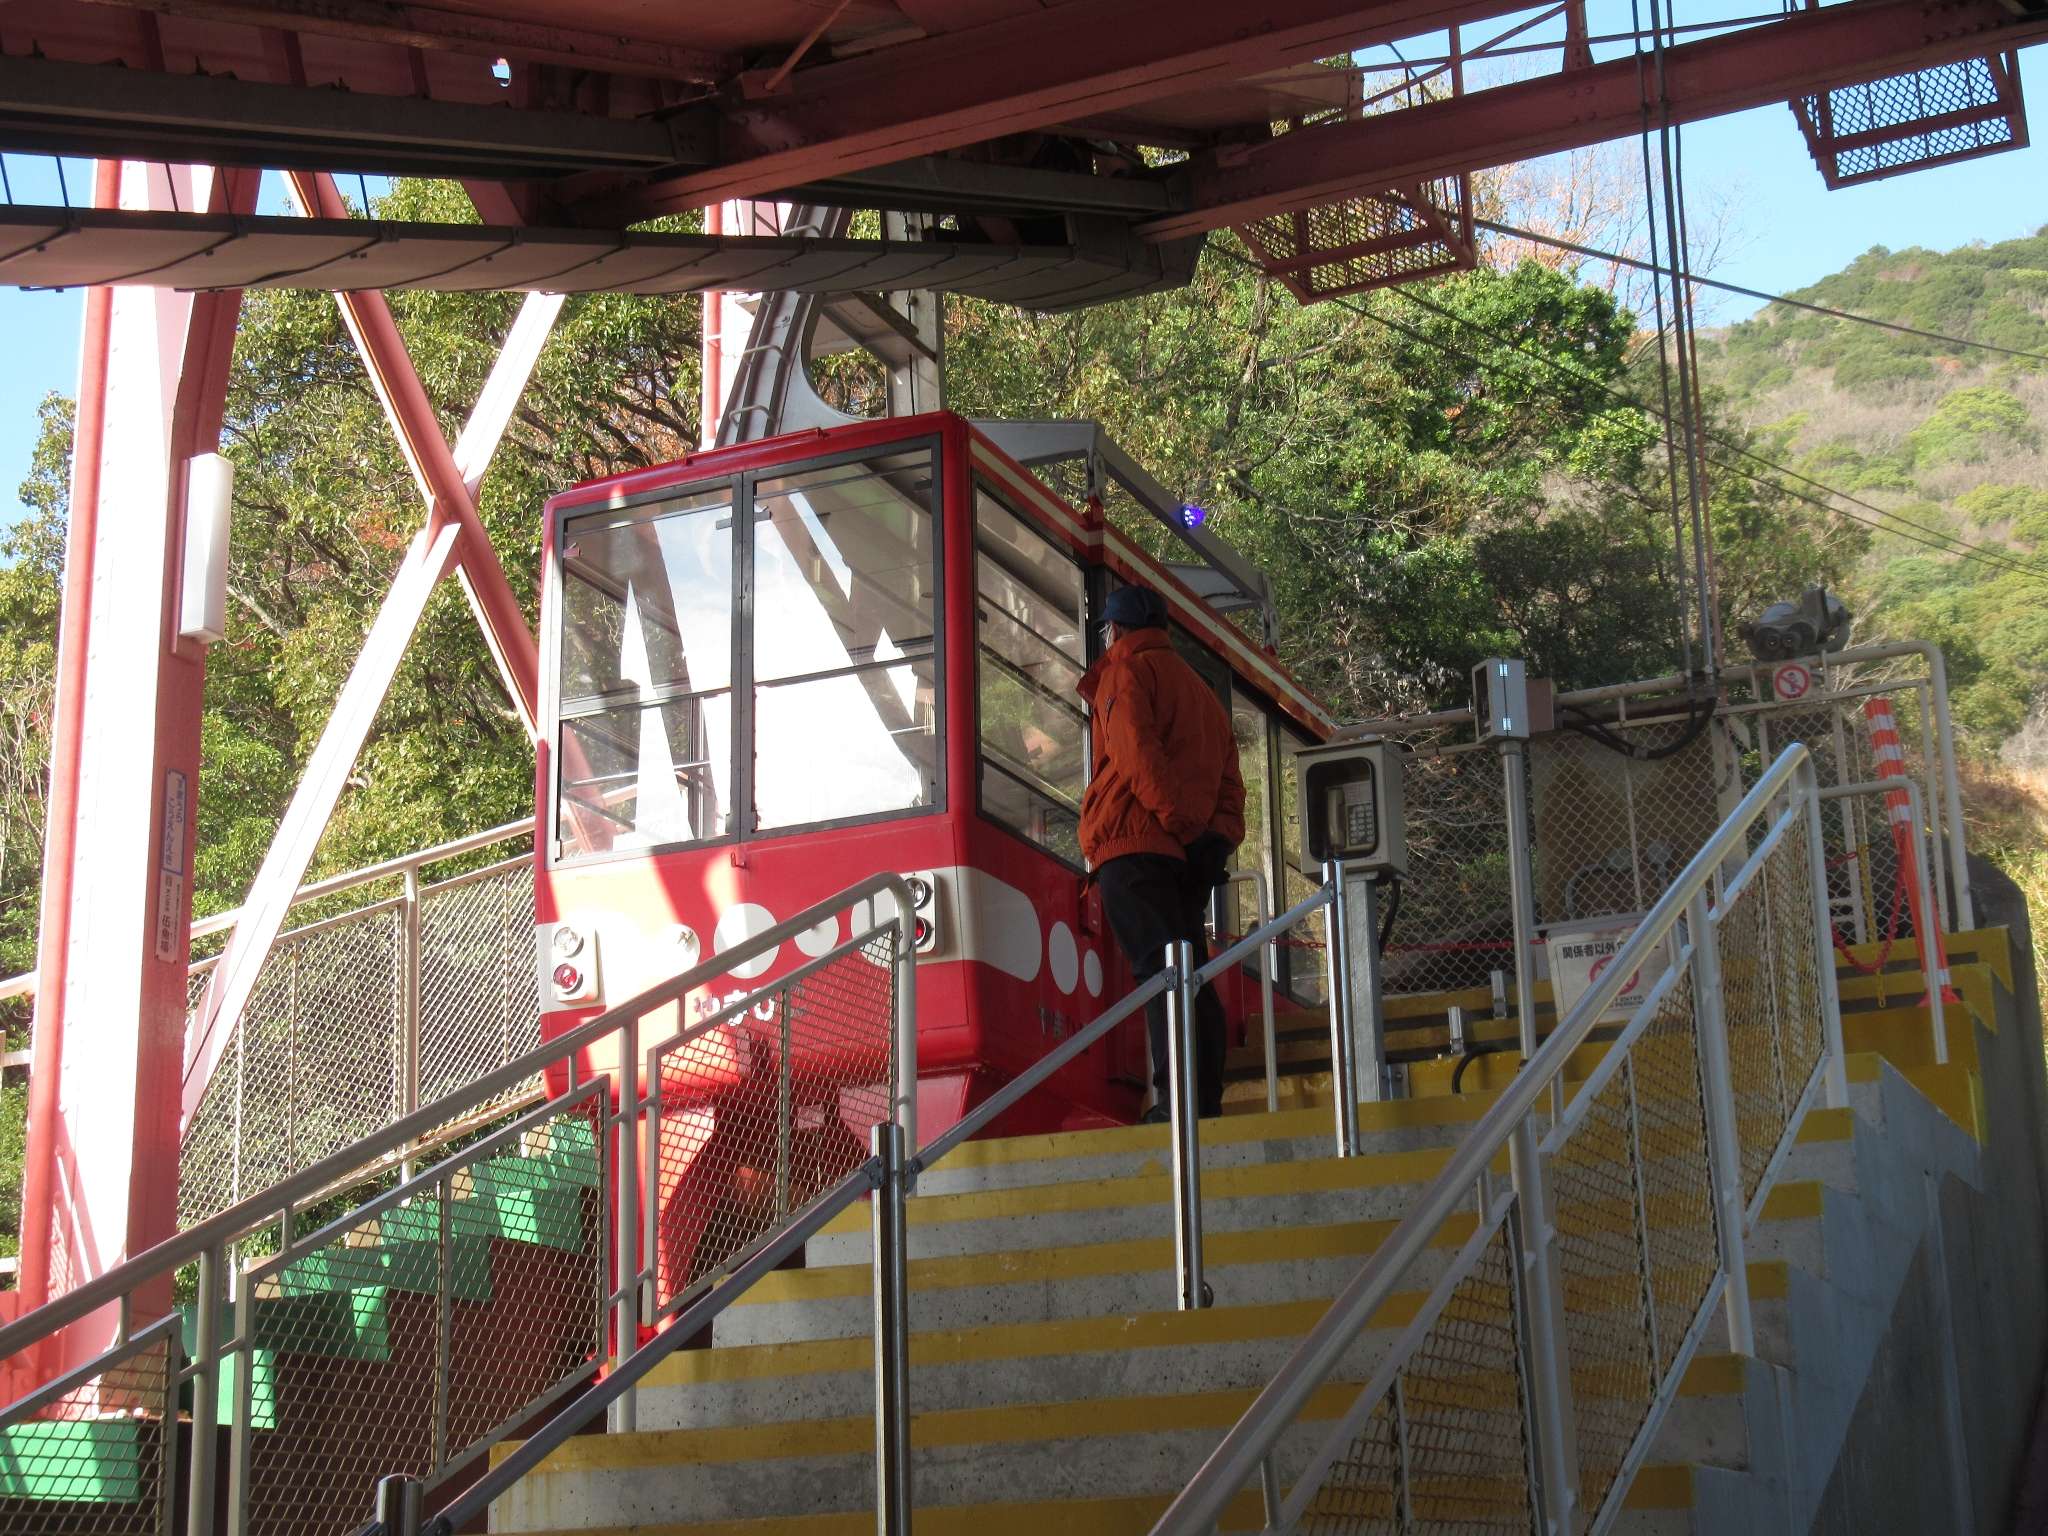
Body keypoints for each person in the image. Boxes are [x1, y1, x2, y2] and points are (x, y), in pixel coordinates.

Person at [1077, 585, 1244, 1122]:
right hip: (1185, 859)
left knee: (1160, 973)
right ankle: (1203, 1102)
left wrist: (1180, 824)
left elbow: (1136, 757)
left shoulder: (1124, 674)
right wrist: (1212, 841)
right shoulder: (1203, 695)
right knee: (1190, 972)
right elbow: (1231, 786)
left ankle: (1177, 1105)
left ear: (1115, 630)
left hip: (1133, 847)